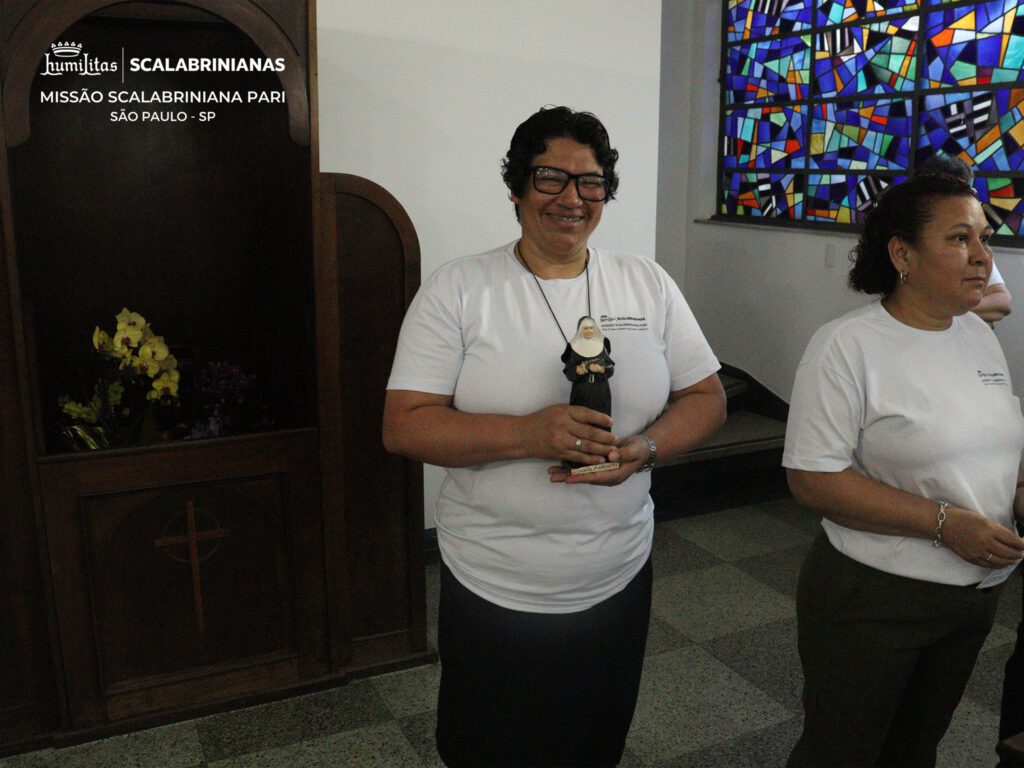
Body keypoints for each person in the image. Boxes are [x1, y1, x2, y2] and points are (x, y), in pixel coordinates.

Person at [382, 105, 726, 768]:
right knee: (491, 748)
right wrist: (527, 434)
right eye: (550, 178)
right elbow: (404, 425)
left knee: (594, 742)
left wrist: (646, 450)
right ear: (517, 188)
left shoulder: (646, 282)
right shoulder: (461, 289)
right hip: (495, 584)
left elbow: (706, 397)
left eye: (590, 181)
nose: (572, 197)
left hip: (617, 574)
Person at [782, 172, 1024, 768]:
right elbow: (813, 479)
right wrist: (945, 523)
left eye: (985, 238)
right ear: (902, 255)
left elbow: (994, 440)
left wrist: (1017, 490)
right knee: (842, 753)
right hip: (875, 597)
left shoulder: (976, 334)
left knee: (914, 750)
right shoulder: (846, 346)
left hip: (972, 595)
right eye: (960, 239)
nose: (983, 256)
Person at [917, 153, 1012, 325]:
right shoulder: (912, 240)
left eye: (968, 195)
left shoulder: (976, 248)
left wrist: (952, 311)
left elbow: (1002, 301)